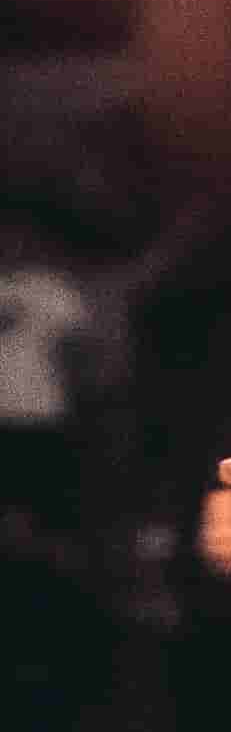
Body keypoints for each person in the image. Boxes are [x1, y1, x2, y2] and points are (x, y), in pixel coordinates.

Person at [0, 217, 96, 535]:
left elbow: (78, 347)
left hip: (42, 412)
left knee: (41, 507)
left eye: (15, 239)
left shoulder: (51, 288)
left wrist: (82, 398)